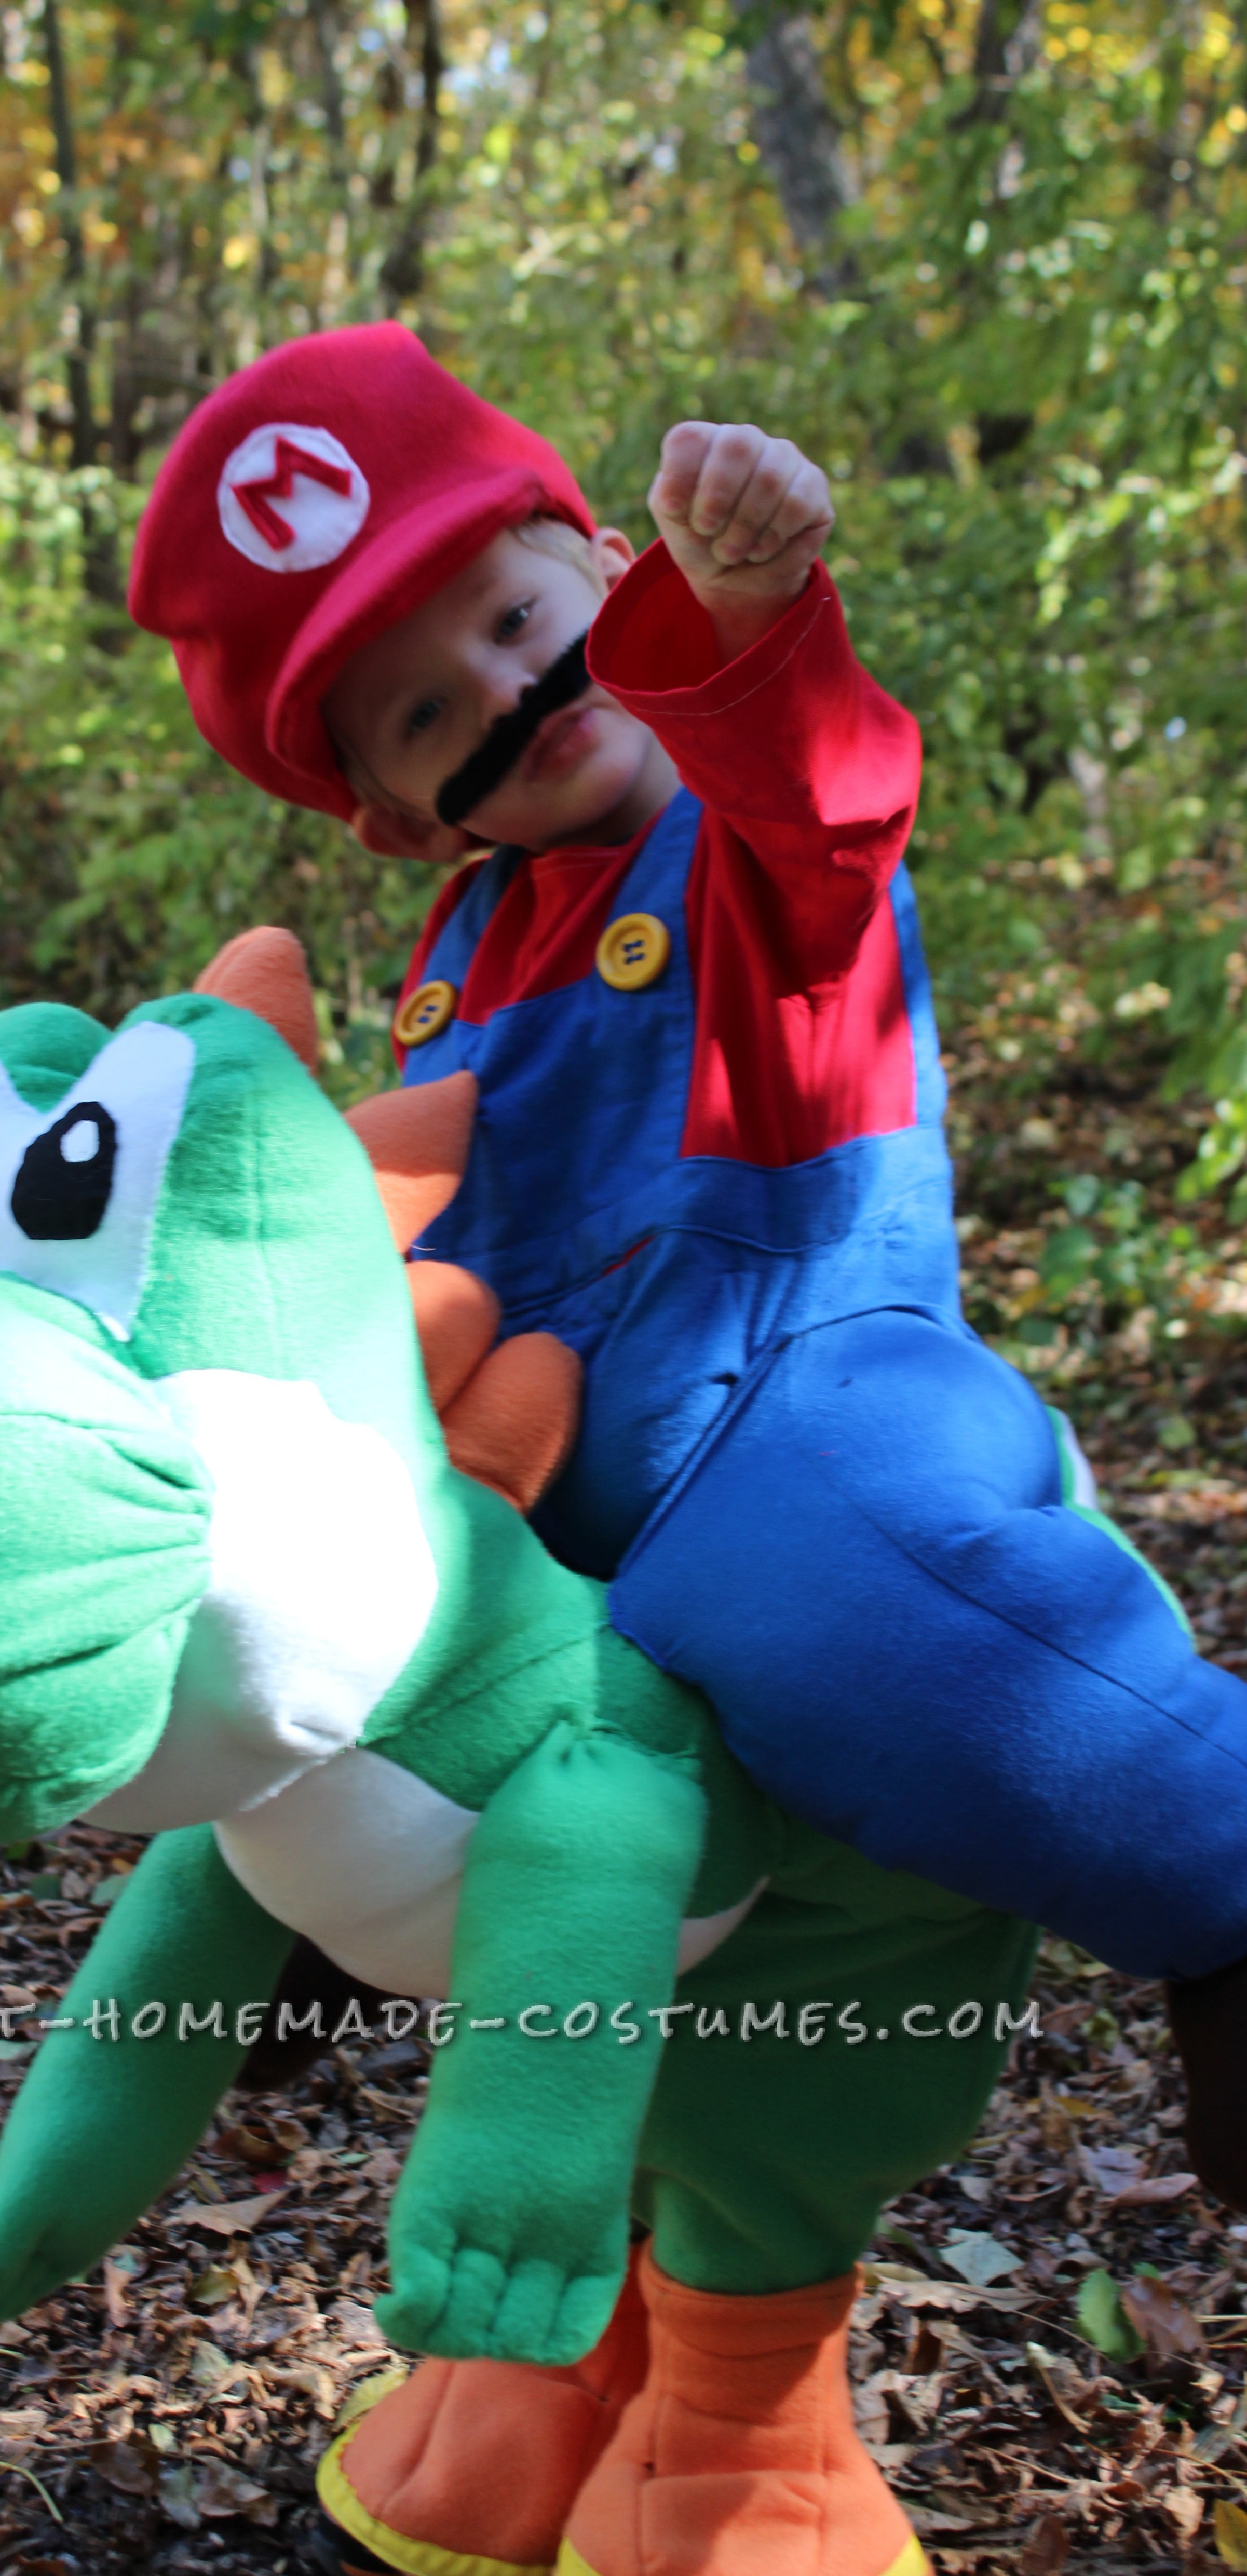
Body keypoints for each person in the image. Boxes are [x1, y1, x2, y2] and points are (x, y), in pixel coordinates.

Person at [130, 322, 1247, 2071]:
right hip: (554, 1440)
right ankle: (309, 1907)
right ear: (404, 821)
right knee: (309, 1585)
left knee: (832, 1609)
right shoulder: (460, 958)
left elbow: (830, 790)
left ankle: (1217, 1868)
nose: (510, 694)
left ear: (606, 568)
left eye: (516, 624)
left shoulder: (744, 827)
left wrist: (754, 624)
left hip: (794, 1373)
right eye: (428, 711)